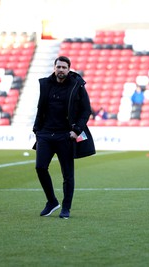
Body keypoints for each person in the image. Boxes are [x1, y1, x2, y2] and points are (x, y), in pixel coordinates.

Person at [32, 56, 95, 219]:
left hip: (65, 135)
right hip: (45, 133)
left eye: (64, 67)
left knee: (67, 174)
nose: (61, 70)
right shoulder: (46, 84)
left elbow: (86, 110)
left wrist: (76, 130)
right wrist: (37, 130)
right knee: (40, 167)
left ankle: (66, 208)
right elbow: (41, 107)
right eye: (58, 67)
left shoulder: (77, 85)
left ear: (69, 69)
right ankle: (52, 202)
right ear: (54, 68)